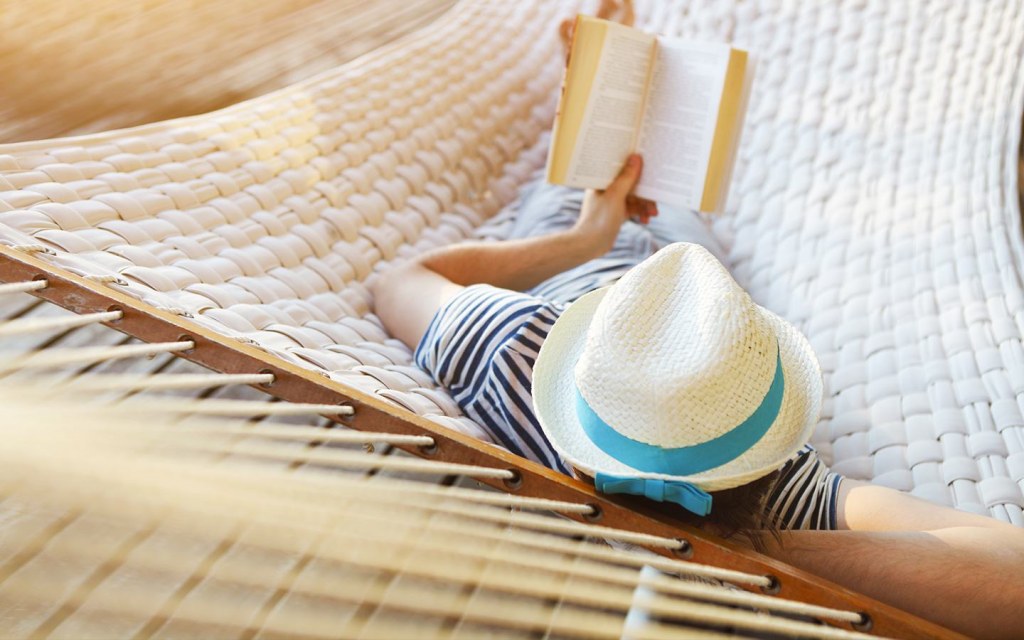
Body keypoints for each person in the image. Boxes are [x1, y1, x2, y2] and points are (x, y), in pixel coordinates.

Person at [372, 8, 1024, 639]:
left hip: (578, 254)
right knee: (666, 180)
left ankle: (597, 73)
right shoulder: (777, 490)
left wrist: (582, 240)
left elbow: (400, 280)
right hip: (693, 272)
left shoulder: (517, 347)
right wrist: (752, 552)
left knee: (590, 162)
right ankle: (614, 70)